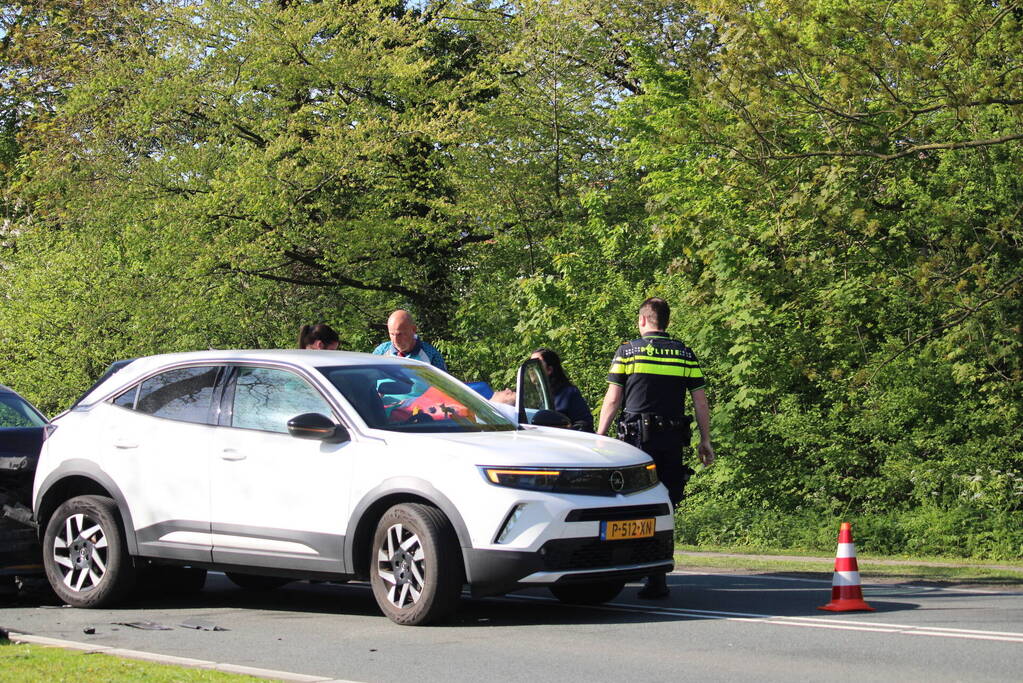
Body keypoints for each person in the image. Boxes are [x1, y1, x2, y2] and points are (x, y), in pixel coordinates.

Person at [596, 297, 715, 599]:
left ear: (643, 320)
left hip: (636, 442)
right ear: (667, 322)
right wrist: (705, 440)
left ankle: (626, 568)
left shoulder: (628, 351)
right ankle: (657, 577)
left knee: (633, 505)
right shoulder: (684, 354)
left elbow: (613, 399)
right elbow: (700, 401)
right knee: (665, 505)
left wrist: (599, 436)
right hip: (672, 441)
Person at [530, 348, 594, 431]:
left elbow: (584, 424)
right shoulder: (530, 396)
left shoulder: (568, 393)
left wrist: (562, 429)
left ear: (549, 370)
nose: (532, 368)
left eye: (537, 364)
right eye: (531, 364)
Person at [372, 310, 447, 371]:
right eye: (392, 334)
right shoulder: (380, 353)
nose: (395, 341)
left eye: (400, 334)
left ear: (413, 329)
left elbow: (444, 385)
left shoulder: (431, 355)